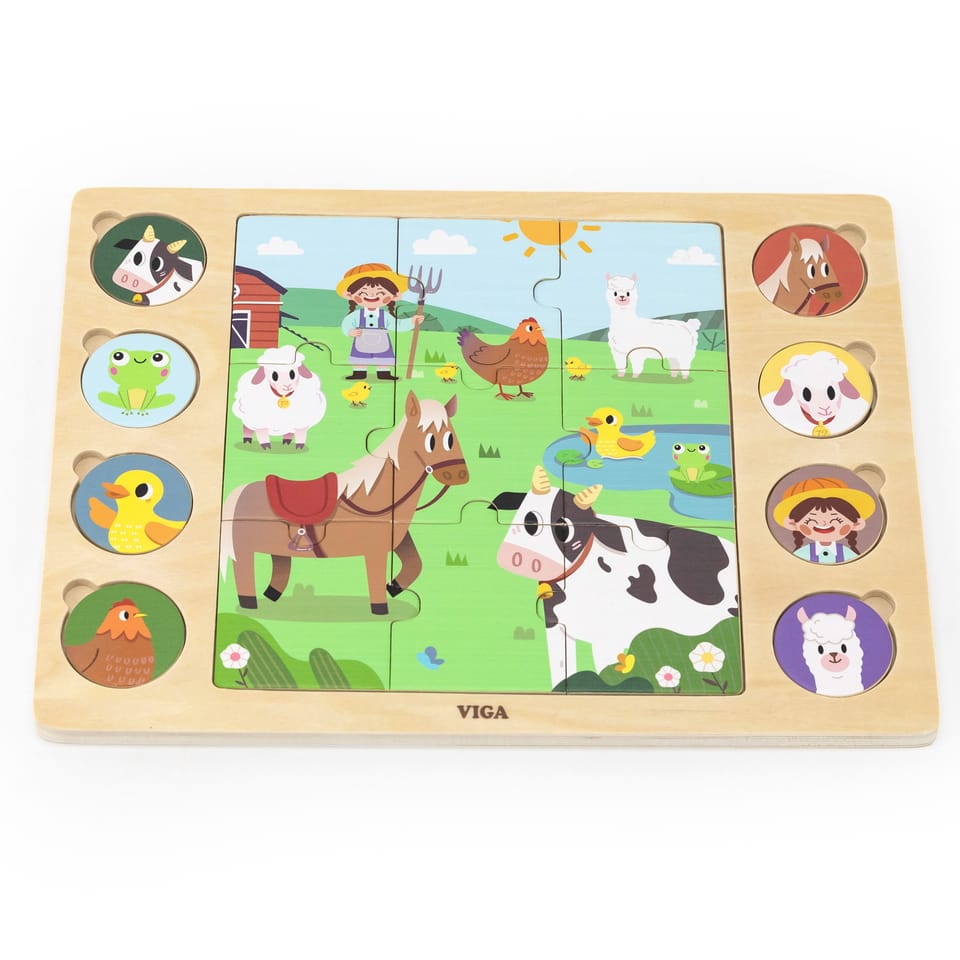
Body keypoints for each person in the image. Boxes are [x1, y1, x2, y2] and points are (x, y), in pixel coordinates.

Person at [337, 263, 421, 380]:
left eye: (380, 293)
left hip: (382, 342)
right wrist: (350, 331)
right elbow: (346, 324)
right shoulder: (356, 315)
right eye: (363, 293)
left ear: (395, 296)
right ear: (350, 295)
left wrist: (412, 321)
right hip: (361, 341)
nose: (371, 296)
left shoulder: (385, 316)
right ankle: (359, 372)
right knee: (360, 358)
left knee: (383, 358)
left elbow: (397, 325)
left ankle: (384, 373)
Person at [772, 476, 876, 564]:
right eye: (810, 520)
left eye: (837, 519)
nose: (824, 523)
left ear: (856, 524)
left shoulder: (849, 554)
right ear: (792, 524)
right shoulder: (800, 554)